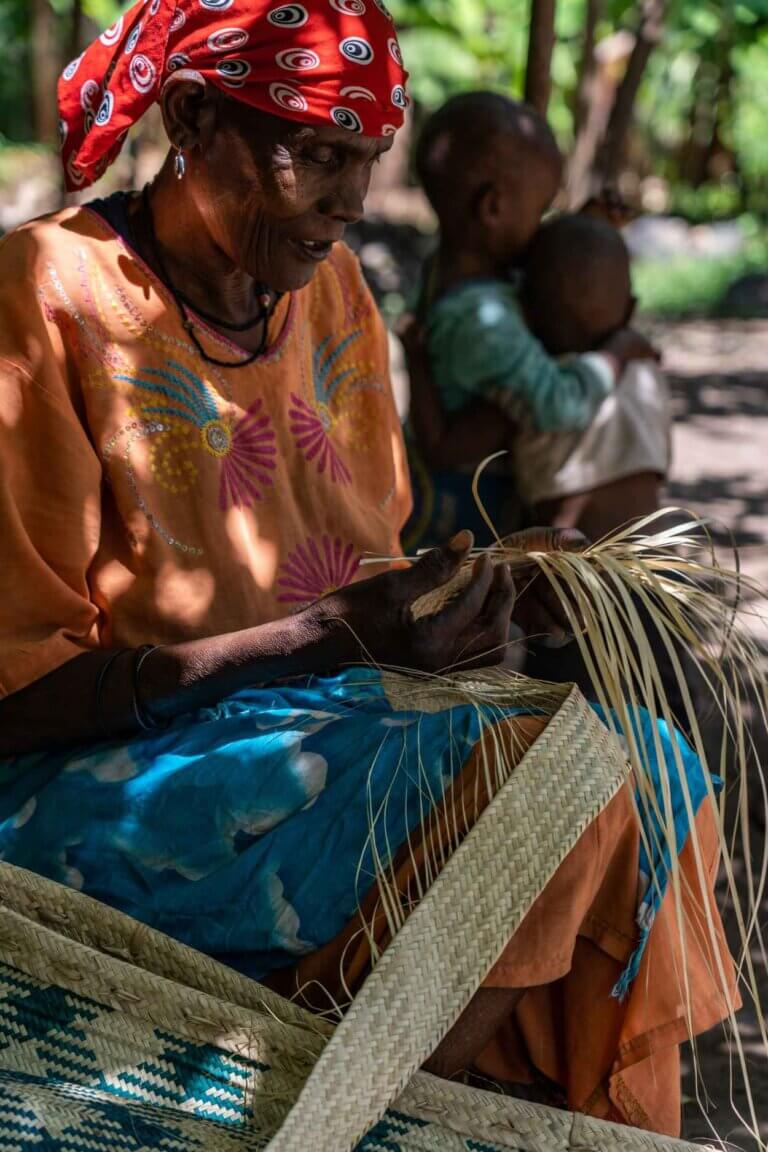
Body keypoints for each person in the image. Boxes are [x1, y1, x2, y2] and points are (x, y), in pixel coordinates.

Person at [0, 1, 733, 1134]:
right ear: (191, 115)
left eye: (370, 163)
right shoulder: (42, 298)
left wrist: (479, 610)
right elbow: (16, 698)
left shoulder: (328, 295)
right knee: (560, 787)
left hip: (316, 726)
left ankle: (473, 1106)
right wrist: (324, 638)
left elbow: (372, 572)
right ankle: (357, 1121)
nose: (351, 204)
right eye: (321, 158)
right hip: (92, 778)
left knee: (656, 767)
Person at [404, 92, 656, 550]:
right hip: (463, 517)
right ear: (493, 208)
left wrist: (577, 237)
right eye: (541, 209)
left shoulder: (449, 271)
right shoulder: (488, 324)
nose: (543, 226)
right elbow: (559, 403)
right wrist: (616, 353)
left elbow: (529, 277)